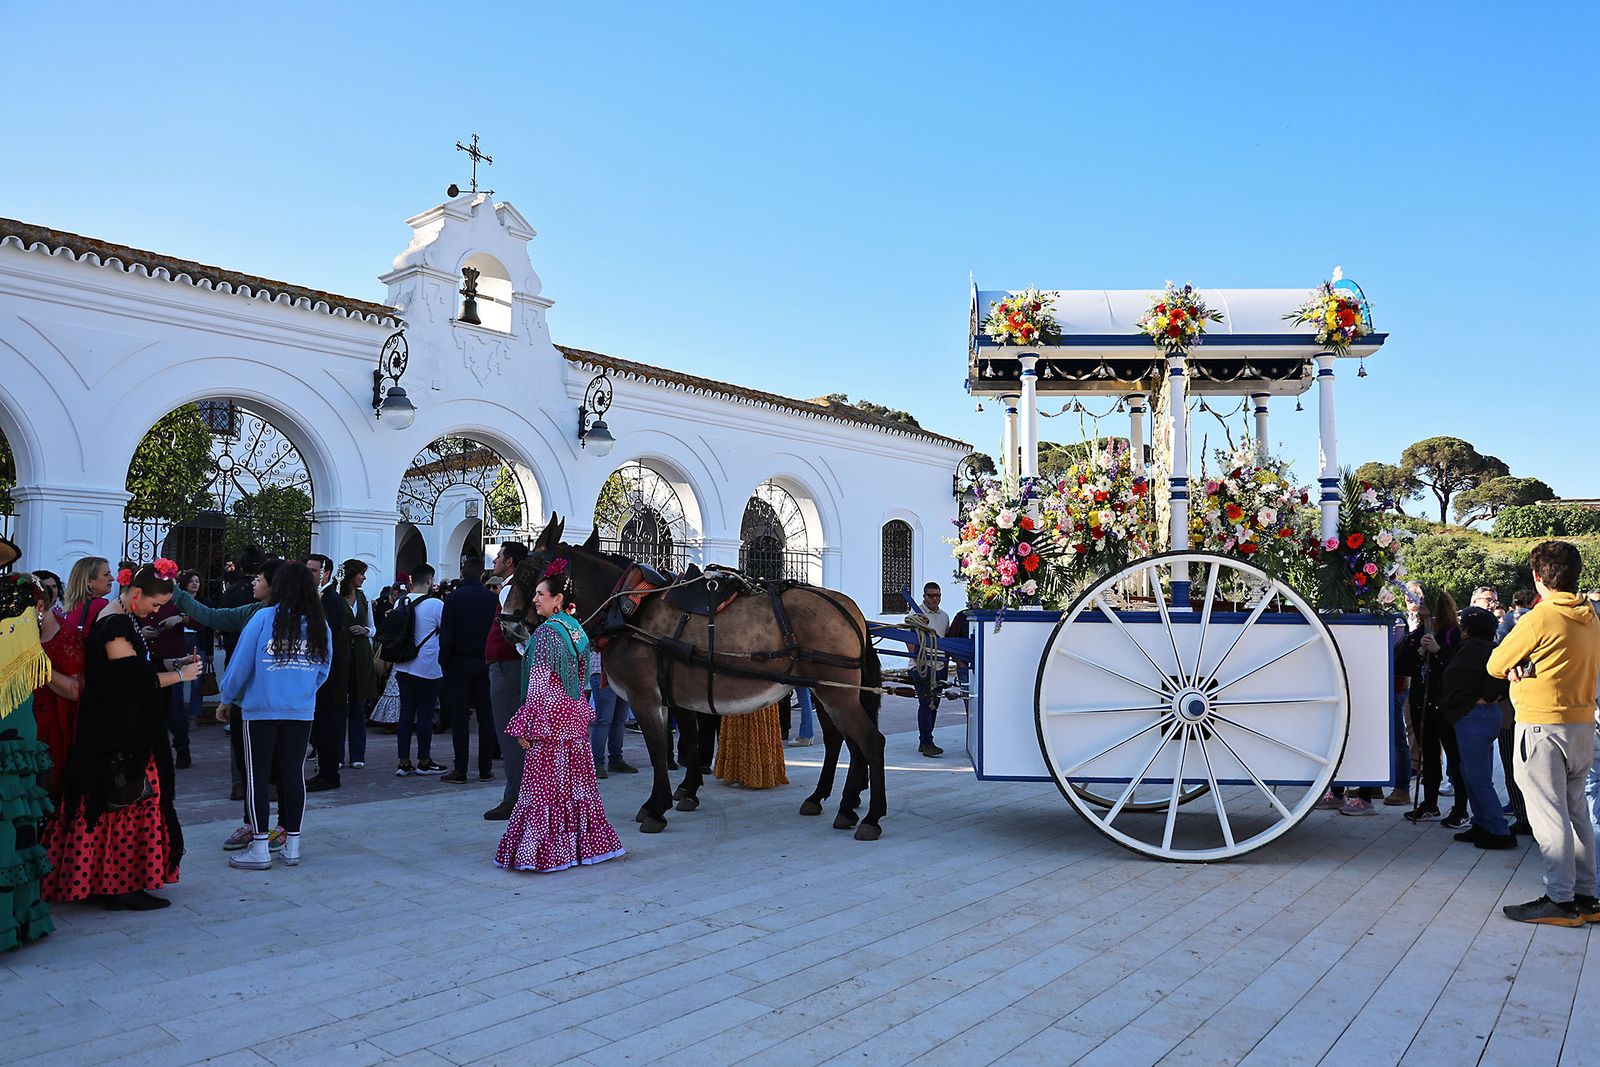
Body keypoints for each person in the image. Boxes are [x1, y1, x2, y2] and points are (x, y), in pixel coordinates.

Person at [43, 560, 201, 911]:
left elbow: (134, 668)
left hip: (118, 730)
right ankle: (120, 886)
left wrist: (173, 665)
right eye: (155, 604)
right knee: (123, 804)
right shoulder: (115, 623)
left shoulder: (123, 617)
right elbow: (131, 681)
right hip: (118, 735)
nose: (155, 612)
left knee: (118, 804)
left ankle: (107, 882)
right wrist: (182, 676)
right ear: (137, 593)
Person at [1488, 540, 1600, 926]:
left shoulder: (1540, 617)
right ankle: (1586, 896)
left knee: (1549, 816)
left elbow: (1496, 663)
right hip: (1582, 724)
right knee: (1577, 813)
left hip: (1542, 725)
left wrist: (1520, 663)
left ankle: (1559, 899)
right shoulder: (1591, 616)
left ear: (1537, 577)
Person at [495, 564, 624, 872]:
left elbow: (539, 683)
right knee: (575, 785)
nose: (535, 600)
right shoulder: (575, 629)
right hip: (573, 714)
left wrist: (525, 722)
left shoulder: (546, 634)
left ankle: (544, 852)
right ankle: (582, 847)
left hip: (549, 719)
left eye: (540, 594)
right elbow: (580, 677)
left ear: (558, 599)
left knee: (544, 786)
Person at [218, 564, 331, 870]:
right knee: (293, 776)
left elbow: (240, 664)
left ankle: (259, 848)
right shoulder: (319, 624)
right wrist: (302, 691)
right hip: (300, 711)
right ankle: (292, 845)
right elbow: (324, 669)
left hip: (261, 710)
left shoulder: (263, 618)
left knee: (257, 776)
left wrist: (228, 696)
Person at [172, 557, 285, 850]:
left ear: (273, 584)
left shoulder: (298, 617)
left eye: (258, 578)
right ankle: (254, 825)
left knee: (283, 771)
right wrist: (177, 594)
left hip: (283, 707)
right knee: (251, 769)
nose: (252, 583)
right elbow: (211, 616)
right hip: (251, 705)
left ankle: (284, 829)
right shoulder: (252, 612)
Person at [1, 555, 55, 949]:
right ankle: (17, 917)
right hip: (17, 729)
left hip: (14, 732)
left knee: (13, 823)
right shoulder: (22, 638)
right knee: (15, 822)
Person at [1439, 606, 1515, 849]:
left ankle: (1498, 830)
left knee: (1477, 776)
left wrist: (1483, 697)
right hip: (1482, 715)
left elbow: (1460, 680)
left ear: (1467, 629)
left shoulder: (1474, 650)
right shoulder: (1489, 648)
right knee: (1471, 773)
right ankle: (1482, 823)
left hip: (1475, 716)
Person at [1400, 592, 1466, 825]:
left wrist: (1438, 651)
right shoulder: (1418, 632)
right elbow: (1403, 665)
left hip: (1445, 703)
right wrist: (1419, 651)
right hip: (1422, 702)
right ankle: (1429, 804)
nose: (1421, 610)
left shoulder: (1453, 633)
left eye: (1426, 606)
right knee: (1428, 755)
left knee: (1455, 757)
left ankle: (1461, 809)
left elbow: (1458, 665)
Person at [438, 557, 497, 784]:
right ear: (482, 575)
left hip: (459, 663)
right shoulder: (491, 599)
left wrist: (445, 662)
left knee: (460, 718)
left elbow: (446, 635)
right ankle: (485, 769)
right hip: (485, 663)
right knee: (485, 717)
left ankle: (460, 769)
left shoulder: (453, 598)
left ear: (462, 573)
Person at [483, 542, 530, 820]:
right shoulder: (514, 588)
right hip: (509, 664)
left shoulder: (510, 590)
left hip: (507, 665)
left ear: (510, 561)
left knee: (511, 734)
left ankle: (514, 798)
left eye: (498, 557)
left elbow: (519, 635)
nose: (494, 561)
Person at [390, 564, 446, 776]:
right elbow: (445, 630)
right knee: (425, 714)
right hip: (428, 666)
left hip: (403, 664)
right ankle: (424, 760)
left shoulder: (401, 601)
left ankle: (403, 762)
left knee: (405, 714)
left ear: (412, 580)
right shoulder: (436, 604)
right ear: (430, 581)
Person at [31, 577, 83, 800]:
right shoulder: (20, 632)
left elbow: (75, 689)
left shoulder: (66, 634)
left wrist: (37, 664)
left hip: (51, 727)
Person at [306, 553, 352, 793]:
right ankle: (324, 771)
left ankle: (329, 774)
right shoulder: (318, 597)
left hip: (330, 673)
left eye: (313, 571)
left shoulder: (331, 599)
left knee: (328, 724)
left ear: (326, 574)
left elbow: (325, 636)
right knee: (321, 725)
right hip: (321, 671)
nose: (309, 574)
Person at [144, 581, 190, 768]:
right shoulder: (140, 599)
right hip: (148, 662)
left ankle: (182, 749)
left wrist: (181, 618)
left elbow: (200, 619)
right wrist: (141, 633)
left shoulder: (177, 600)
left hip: (173, 662)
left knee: (175, 708)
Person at [340, 560, 377, 770]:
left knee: (358, 706)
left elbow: (373, 628)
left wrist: (365, 631)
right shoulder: (336, 597)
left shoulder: (363, 599)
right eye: (361, 574)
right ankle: (336, 753)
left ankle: (357, 754)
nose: (363, 577)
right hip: (341, 655)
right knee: (337, 707)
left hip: (360, 656)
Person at [908, 581, 951, 757]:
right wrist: (919, 663)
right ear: (924, 596)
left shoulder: (944, 616)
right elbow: (910, 641)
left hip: (940, 665)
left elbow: (945, 638)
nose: (934, 599)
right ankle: (926, 742)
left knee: (935, 704)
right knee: (926, 704)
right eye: (930, 595)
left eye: (937, 595)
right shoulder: (916, 614)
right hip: (922, 667)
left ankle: (925, 740)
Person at [714, 703, 789, 790]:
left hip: (756, 700)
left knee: (753, 729)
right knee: (742, 730)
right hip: (745, 700)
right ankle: (741, 774)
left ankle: (752, 776)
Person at [588, 648, 637, 777]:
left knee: (618, 720)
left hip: (622, 675)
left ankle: (615, 760)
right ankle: (597, 762)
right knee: (604, 720)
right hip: (603, 673)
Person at [63, 555, 112, 637]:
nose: (112, 578)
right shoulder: (99, 604)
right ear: (89, 581)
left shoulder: (73, 606)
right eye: (106, 574)